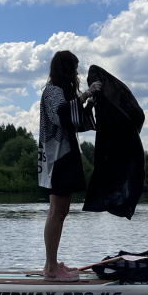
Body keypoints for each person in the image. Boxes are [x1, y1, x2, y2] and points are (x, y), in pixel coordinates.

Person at [39, 50, 102, 281]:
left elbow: (74, 122)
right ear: (65, 69)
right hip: (58, 156)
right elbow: (61, 116)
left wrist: (89, 103)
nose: (76, 72)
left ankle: (53, 264)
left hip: (66, 153)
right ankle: (51, 268)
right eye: (74, 68)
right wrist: (85, 95)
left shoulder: (60, 92)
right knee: (56, 211)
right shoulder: (53, 91)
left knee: (62, 211)